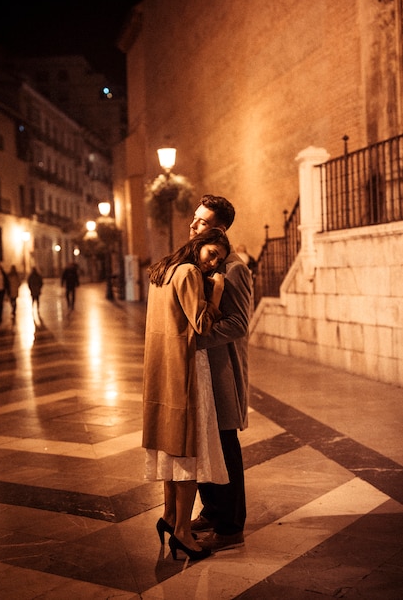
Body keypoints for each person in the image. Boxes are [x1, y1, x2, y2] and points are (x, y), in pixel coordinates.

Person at [142, 228, 231, 561]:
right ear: (198, 246)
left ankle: (169, 517)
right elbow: (202, 323)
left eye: (219, 261)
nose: (213, 264)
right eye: (211, 254)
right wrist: (218, 291)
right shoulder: (191, 272)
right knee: (189, 450)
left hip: (162, 369)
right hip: (187, 369)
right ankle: (182, 532)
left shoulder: (163, 270)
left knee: (170, 445)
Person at [188, 194, 252, 552]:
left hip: (222, 371)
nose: (193, 225)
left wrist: (196, 340)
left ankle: (231, 525)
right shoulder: (201, 261)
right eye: (194, 218)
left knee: (225, 445)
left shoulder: (234, 267)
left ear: (219, 229)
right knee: (204, 443)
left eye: (202, 221)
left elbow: (239, 323)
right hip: (202, 371)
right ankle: (212, 509)